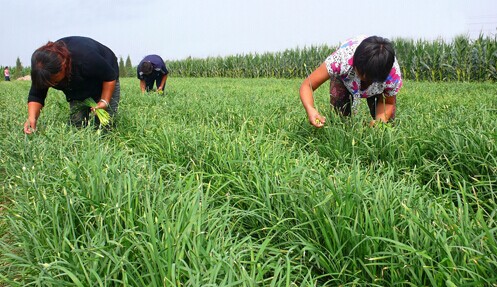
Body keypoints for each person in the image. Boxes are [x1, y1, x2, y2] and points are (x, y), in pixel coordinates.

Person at [299, 35, 402, 128]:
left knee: (386, 126)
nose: (363, 79)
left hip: (377, 88)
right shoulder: (341, 59)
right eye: (361, 73)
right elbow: (307, 85)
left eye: (369, 79)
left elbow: (387, 103)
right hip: (345, 81)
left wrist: (380, 122)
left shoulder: (392, 75)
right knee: (339, 119)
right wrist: (310, 108)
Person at [24, 36, 120, 134]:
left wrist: (104, 101)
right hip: (76, 85)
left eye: (54, 81)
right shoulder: (43, 69)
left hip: (105, 77)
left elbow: (109, 77)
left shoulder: (86, 57)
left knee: (105, 127)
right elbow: (36, 95)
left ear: (63, 65)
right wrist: (32, 118)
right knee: (77, 125)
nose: (52, 84)